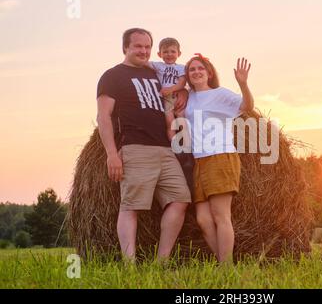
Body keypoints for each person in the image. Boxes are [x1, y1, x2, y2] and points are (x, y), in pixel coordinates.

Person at [96, 28, 192, 263]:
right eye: (138, 46)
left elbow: (176, 82)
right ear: (125, 48)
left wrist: (183, 94)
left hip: (165, 148)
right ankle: (129, 265)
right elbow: (103, 116)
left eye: (147, 47)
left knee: (181, 199)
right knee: (131, 206)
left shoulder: (154, 72)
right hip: (135, 147)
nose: (144, 51)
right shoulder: (112, 76)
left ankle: (162, 261)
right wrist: (111, 154)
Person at [183, 54, 254, 262]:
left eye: (200, 69)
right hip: (199, 160)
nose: (196, 72)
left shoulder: (220, 94)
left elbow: (246, 106)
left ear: (209, 73)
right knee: (203, 220)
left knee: (221, 216)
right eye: (192, 70)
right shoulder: (189, 97)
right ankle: (224, 264)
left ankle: (226, 268)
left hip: (220, 156)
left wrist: (243, 84)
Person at [147, 37, 194, 193]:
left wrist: (172, 89)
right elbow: (144, 63)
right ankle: (175, 147)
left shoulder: (181, 67)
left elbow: (181, 83)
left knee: (181, 118)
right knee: (169, 122)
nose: (169, 54)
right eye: (165, 51)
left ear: (179, 53)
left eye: (172, 51)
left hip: (174, 95)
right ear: (159, 54)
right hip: (165, 100)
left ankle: (187, 147)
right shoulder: (158, 66)